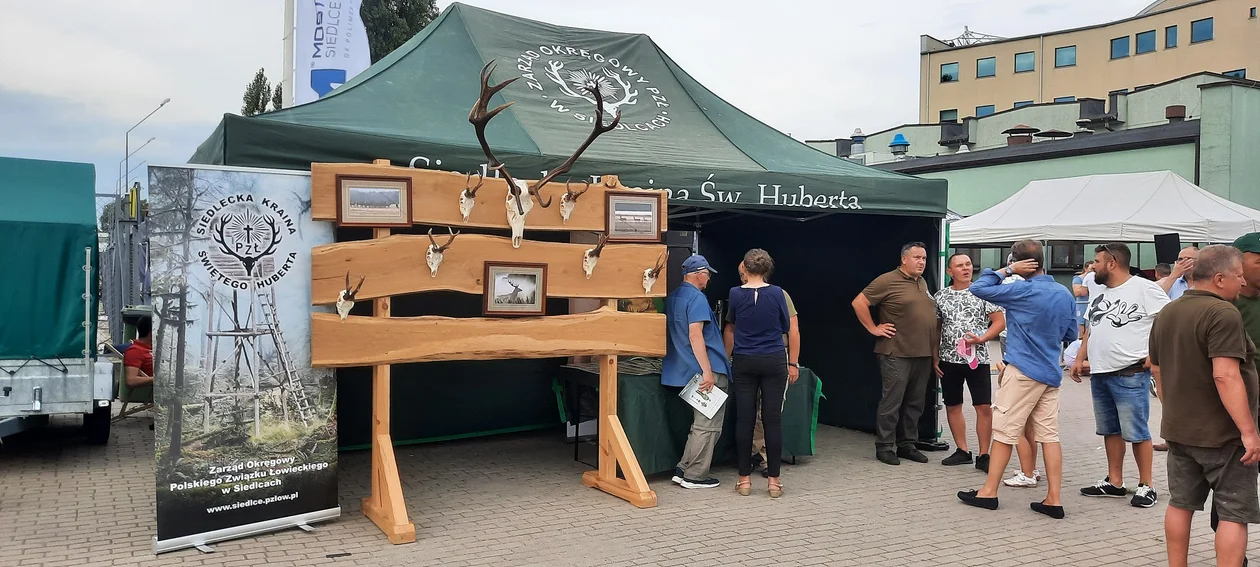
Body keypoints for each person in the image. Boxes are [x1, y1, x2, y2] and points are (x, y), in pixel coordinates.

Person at [1149, 245, 1260, 567]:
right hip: (1223, 435)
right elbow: (1226, 375)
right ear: (1220, 277)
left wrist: (1172, 411)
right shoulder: (1223, 313)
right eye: (1238, 276)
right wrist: (1248, 432)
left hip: (1179, 430)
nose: (1242, 283)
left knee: (1181, 505)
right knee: (1233, 513)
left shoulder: (1168, 311)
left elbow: (1156, 369)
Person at [956, 240, 1077, 519]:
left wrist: (1008, 269)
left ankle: (988, 493)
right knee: (1049, 436)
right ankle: (1053, 499)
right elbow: (1071, 334)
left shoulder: (1020, 289)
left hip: (1022, 370)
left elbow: (979, 287)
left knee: (1004, 432)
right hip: (1050, 372)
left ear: (1018, 261)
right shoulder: (1064, 293)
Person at [1070, 243, 1169, 508]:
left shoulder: (1144, 288)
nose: (1093, 266)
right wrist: (1080, 357)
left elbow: (1168, 320)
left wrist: (1154, 354)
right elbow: (1092, 326)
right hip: (1101, 372)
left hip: (1130, 372)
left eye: (1097, 261)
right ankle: (1114, 482)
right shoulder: (1099, 290)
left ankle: (1146, 485)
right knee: (1109, 430)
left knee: (1137, 431)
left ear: (1112, 262)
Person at [852, 242, 937, 466]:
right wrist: (873, 328)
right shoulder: (887, 280)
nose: (922, 262)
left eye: (924, 258)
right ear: (904, 259)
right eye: (917, 257)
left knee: (916, 402)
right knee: (893, 401)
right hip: (896, 352)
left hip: (922, 353)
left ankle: (907, 444)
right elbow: (859, 302)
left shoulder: (922, 282)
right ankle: (885, 446)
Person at [728, 249, 795, 498]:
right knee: (772, 420)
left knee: (744, 421)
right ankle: (774, 482)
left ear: (744, 267)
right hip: (773, 358)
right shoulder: (778, 293)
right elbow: (786, 325)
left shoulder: (735, 294)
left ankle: (744, 480)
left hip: (745, 359)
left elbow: (732, 324)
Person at [663, 255, 730, 489]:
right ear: (699, 274)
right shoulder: (698, 299)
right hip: (702, 371)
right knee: (707, 425)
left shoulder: (672, 297)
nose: (709, 279)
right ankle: (695, 475)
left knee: (698, 426)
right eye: (708, 274)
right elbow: (695, 335)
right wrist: (707, 371)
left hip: (678, 370)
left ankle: (684, 467)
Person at [933, 253, 1005, 470]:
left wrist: (983, 338)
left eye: (968, 265)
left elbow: (999, 322)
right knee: (953, 404)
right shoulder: (941, 296)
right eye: (959, 265)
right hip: (948, 359)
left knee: (983, 406)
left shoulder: (983, 294)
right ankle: (962, 450)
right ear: (949, 271)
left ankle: (984, 454)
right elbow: (937, 328)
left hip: (978, 359)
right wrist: (934, 354)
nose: (965, 269)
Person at [123, 315, 154, 389]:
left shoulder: (153, 348)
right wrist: (155, 379)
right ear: (151, 333)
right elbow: (131, 381)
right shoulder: (135, 351)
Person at [1072, 261, 1095, 338]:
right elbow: (1077, 293)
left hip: (1091, 305)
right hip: (1082, 305)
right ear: (1085, 268)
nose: (1093, 271)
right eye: (1091, 269)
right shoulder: (1078, 279)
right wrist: (1089, 288)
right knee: (1081, 327)